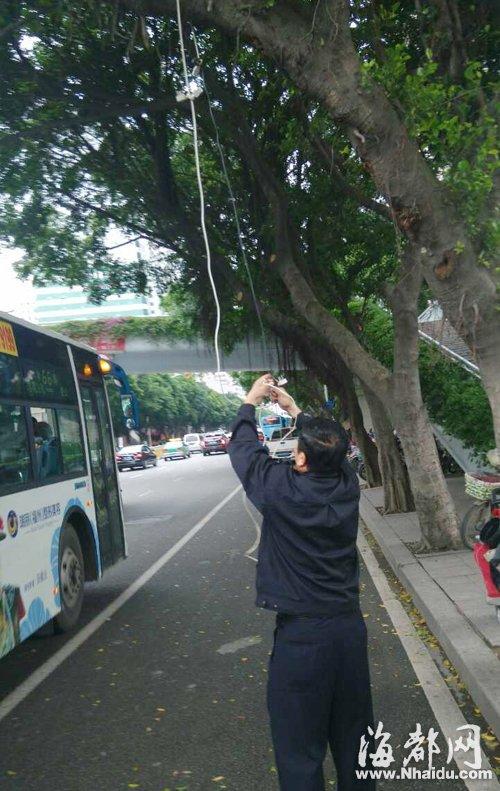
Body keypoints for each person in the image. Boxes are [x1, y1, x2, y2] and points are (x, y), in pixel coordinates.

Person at [228, 374, 375, 791]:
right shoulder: (347, 485)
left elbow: (244, 450)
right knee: (356, 740)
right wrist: (294, 410)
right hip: (348, 631)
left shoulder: (279, 491)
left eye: (296, 449)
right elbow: (336, 448)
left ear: (302, 461)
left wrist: (250, 402)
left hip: (302, 638)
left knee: (299, 749)